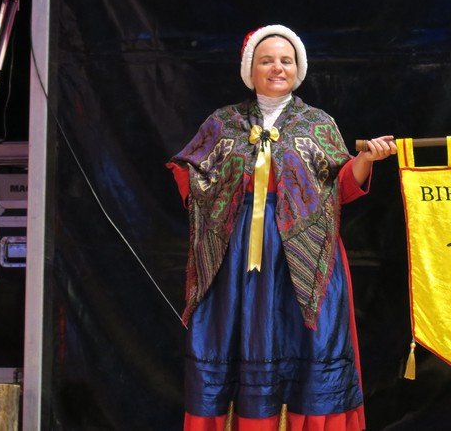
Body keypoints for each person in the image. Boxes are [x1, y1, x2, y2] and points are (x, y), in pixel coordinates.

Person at [167, 24, 396, 430]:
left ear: (298, 69)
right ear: (250, 70)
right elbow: (189, 171)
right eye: (266, 61)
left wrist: (366, 161)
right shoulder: (223, 122)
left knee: (307, 342)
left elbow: (341, 187)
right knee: (235, 340)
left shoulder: (317, 124)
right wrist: (213, 199)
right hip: (236, 253)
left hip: (305, 253)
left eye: (286, 61)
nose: (277, 68)